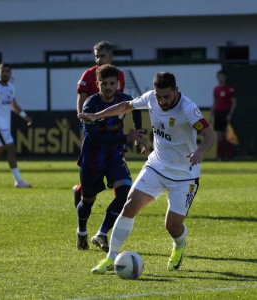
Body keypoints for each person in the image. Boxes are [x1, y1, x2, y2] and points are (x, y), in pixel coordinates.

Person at [78, 72, 216, 274]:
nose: (162, 101)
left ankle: (179, 245)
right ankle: (111, 257)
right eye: (159, 96)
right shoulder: (151, 97)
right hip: (157, 167)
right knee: (130, 205)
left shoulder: (188, 109)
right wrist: (97, 115)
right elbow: (127, 106)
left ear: (176, 91)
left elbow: (210, 135)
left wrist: (200, 151)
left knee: (172, 226)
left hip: (184, 175)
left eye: (167, 97)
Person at [76, 64, 144, 252]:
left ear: (118, 84)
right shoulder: (90, 105)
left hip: (114, 156)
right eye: (104, 83)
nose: (108, 87)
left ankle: (101, 234)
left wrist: (137, 132)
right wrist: (126, 137)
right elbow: (96, 138)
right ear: (97, 84)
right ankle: (82, 231)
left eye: (112, 83)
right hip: (93, 159)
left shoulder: (124, 100)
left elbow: (137, 108)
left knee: (124, 194)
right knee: (87, 202)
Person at [73, 41, 126, 207]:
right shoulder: (88, 74)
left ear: (111, 57)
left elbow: (121, 101)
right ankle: (82, 190)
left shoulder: (119, 75)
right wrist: (82, 117)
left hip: (114, 122)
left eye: (102, 56)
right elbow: (81, 97)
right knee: (95, 160)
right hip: (94, 124)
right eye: (97, 56)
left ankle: (120, 199)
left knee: (116, 157)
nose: (99, 59)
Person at [209, 70, 237, 161]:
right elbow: (215, 102)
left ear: (225, 78)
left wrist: (230, 114)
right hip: (218, 113)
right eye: (219, 76)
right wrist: (211, 114)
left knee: (228, 136)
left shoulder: (230, 89)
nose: (220, 78)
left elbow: (234, 102)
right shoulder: (216, 89)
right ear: (217, 78)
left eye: (222, 76)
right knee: (219, 136)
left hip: (226, 113)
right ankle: (220, 157)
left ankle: (230, 157)